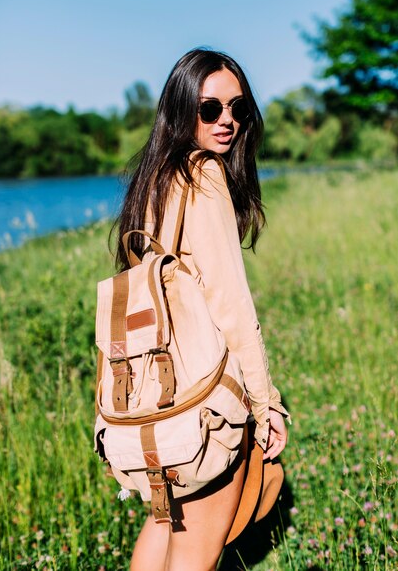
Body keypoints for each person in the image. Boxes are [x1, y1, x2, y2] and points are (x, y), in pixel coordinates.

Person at [110, 48, 290, 571]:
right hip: (203, 402)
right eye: (210, 109)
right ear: (181, 108)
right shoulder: (204, 175)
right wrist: (265, 403)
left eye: (239, 109)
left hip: (156, 397)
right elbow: (230, 302)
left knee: (165, 524)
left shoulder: (154, 178)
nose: (227, 120)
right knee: (194, 555)